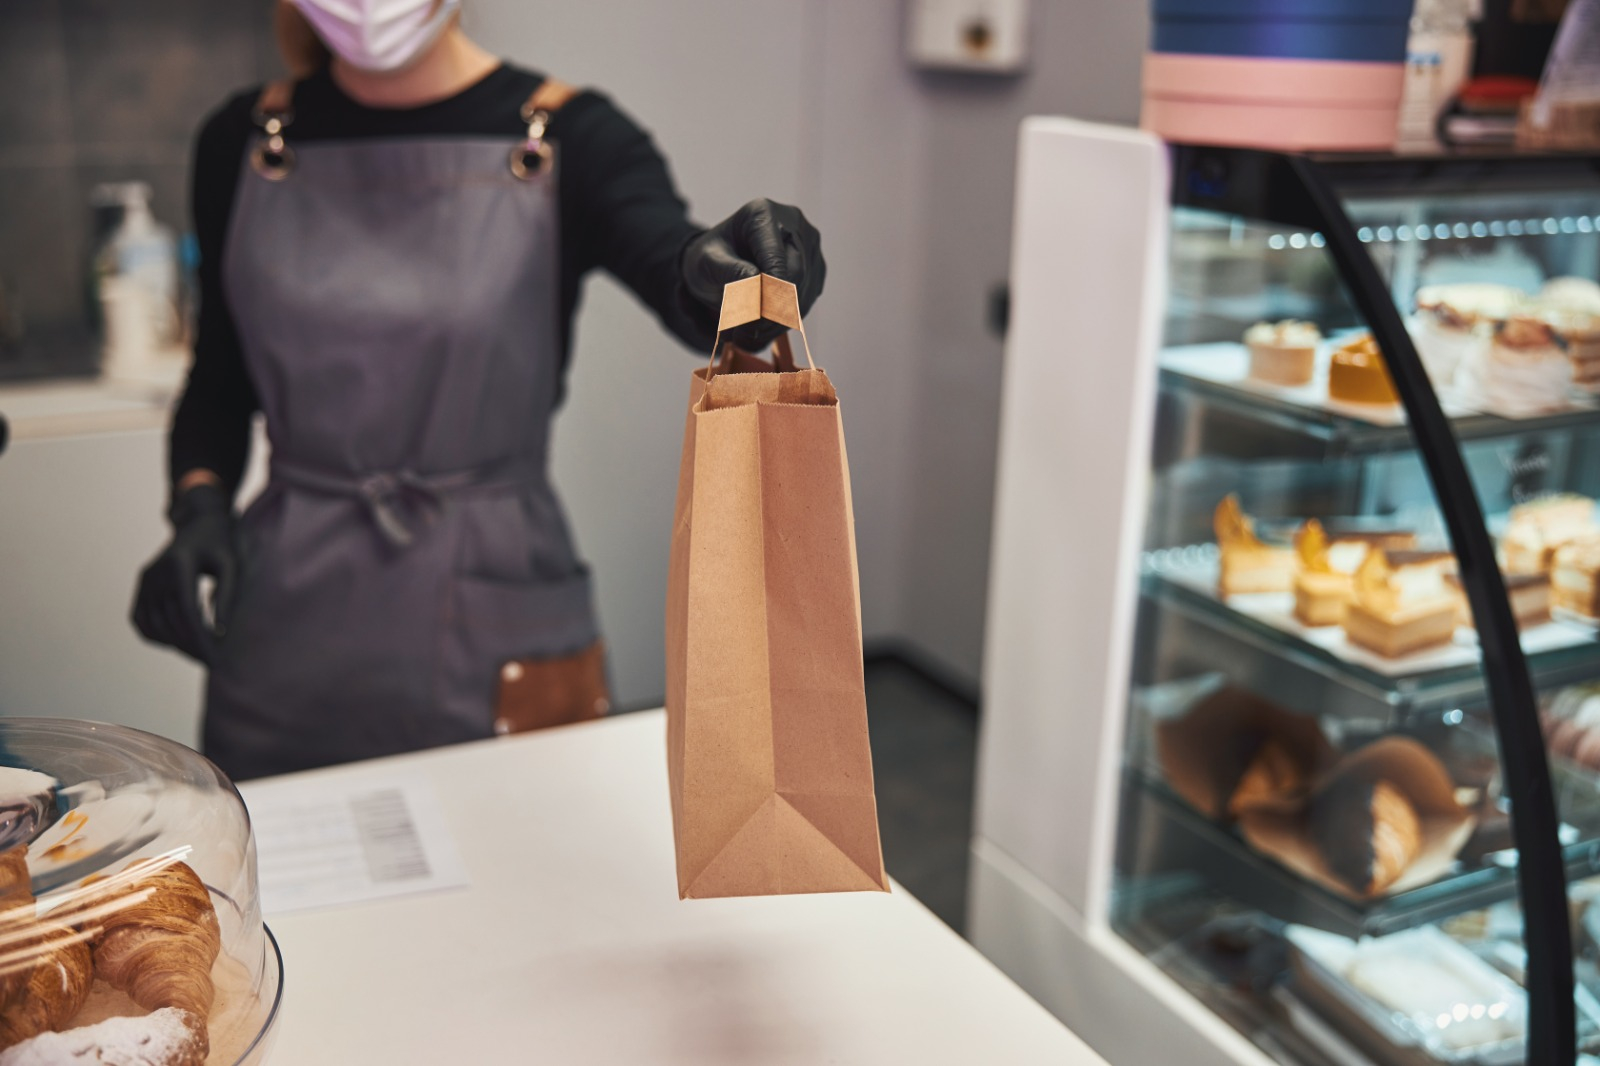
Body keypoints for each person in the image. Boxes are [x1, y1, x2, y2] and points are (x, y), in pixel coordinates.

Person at [130, 0, 825, 781]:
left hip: (497, 600)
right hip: (289, 614)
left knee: (522, 835)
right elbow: (221, 375)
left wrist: (730, 275)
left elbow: (679, 272)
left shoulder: (574, 136)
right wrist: (198, 506)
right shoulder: (243, 140)